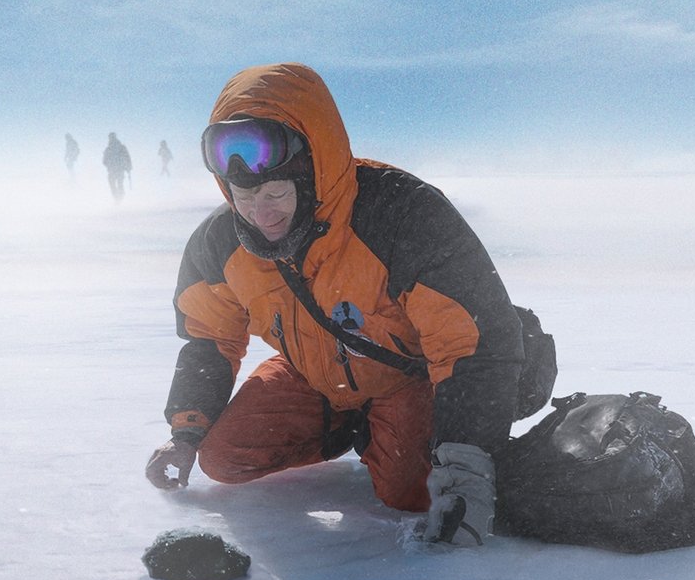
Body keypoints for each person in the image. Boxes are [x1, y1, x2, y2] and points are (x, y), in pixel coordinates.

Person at [143, 63, 525, 547]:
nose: (262, 214)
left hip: (409, 373)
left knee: (412, 490)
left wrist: (467, 463)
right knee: (225, 458)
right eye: (244, 195)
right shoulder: (219, 245)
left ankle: (407, 437)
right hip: (315, 373)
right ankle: (359, 428)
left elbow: (472, 341)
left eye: (277, 192)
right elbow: (209, 338)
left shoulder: (399, 214)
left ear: (312, 173)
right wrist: (185, 433)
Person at [102, 132, 132, 202]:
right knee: (119, 184)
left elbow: (104, 161)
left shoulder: (108, 149)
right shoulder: (121, 147)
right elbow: (128, 158)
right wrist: (129, 167)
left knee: (113, 185)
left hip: (113, 170)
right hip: (119, 169)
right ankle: (120, 197)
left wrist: (108, 165)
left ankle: (117, 198)